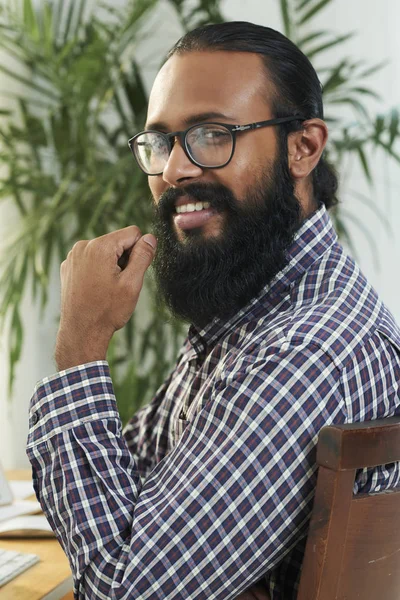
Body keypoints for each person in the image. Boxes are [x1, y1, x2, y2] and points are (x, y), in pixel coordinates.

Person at [26, 21, 400, 600]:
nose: (174, 170)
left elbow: (126, 592)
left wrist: (81, 343)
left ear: (302, 147)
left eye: (211, 135)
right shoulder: (252, 307)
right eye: (160, 143)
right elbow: (139, 479)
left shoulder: (306, 350)